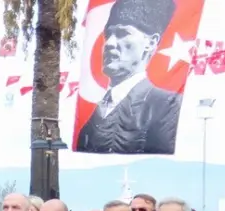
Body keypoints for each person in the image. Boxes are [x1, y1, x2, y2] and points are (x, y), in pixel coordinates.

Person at [75, 0, 180, 155]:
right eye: (108, 34)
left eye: (123, 33)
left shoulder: (166, 105)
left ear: (150, 42)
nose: (109, 43)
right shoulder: (92, 118)